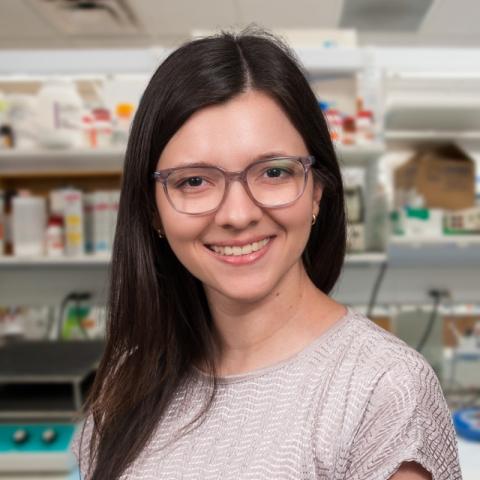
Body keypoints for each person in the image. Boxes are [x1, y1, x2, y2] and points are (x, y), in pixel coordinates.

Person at [72, 28, 461, 480]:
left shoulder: (383, 390)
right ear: (153, 211)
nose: (238, 214)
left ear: (317, 191)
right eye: (194, 181)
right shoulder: (130, 374)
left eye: (274, 171)